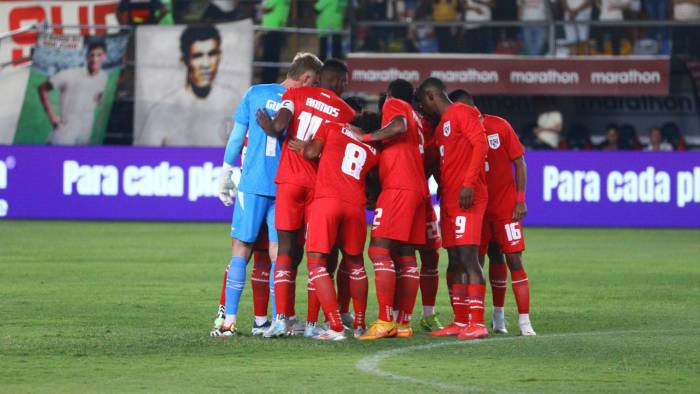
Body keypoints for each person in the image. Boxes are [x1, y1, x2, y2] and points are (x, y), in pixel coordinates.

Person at [209, 52, 323, 337]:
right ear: (306, 78)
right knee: (277, 254)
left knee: (240, 250)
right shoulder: (301, 103)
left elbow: (236, 137)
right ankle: (277, 321)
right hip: (284, 186)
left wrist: (225, 174)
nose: (315, 87)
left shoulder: (255, 93)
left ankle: (227, 323)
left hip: (251, 183)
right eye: (314, 82)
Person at [255, 59, 356, 337]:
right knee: (318, 256)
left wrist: (271, 129)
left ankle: (280, 320)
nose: (344, 87)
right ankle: (312, 325)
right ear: (332, 80)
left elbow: (280, 125)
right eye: (343, 82)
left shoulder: (295, 95)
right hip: (320, 189)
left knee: (286, 251)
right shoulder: (345, 112)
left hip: (289, 182)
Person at [449, 91, 536, 336]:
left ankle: (525, 322)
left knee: (513, 259)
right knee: (478, 260)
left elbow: (519, 162)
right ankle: (491, 318)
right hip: (477, 207)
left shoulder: (499, 125)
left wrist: (520, 200)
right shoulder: (457, 132)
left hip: (505, 206)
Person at [346, 79, 427, 340]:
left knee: (379, 249)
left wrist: (367, 136)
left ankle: (384, 321)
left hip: (399, 187)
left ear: (390, 94)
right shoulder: (418, 118)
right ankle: (403, 323)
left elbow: (398, 126)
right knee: (405, 255)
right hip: (417, 189)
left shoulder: (395, 104)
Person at [293, 113, 381, 340]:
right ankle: (360, 324)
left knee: (316, 264)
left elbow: (312, 152)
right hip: (355, 206)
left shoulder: (333, 126)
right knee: (355, 264)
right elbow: (373, 182)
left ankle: (336, 326)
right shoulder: (373, 151)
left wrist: (302, 149)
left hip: (327, 201)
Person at [417, 77, 489, 340]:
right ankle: (460, 321)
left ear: (430, 96)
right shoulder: (440, 129)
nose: (424, 110)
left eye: (423, 104)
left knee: (469, 258)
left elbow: (480, 145)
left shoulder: (463, 112)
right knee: (455, 259)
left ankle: (478, 323)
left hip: (468, 198)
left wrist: (468, 184)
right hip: (448, 201)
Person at [136, 25, 239, 146]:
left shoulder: (234, 101)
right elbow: (143, 158)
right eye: (197, 56)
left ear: (219, 57)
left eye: (212, 54)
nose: (206, 64)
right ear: (184, 61)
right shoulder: (162, 111)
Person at [38, 41, 108, 145]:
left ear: (104, 57)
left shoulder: (103, 77)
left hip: (85, 134)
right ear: (87, 57)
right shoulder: (69, 75)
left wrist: (98, 99)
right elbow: (42, 88)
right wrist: (52, 116)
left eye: (99, 55)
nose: (95, 59)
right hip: (64, 133)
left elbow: (98, 94)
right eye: (92, 55)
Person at [260, 0, 291, 83]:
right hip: (276, 28)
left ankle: (267, 80)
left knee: (269, 57)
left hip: (272, 29)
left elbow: (265, 7)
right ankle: (271, 80)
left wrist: (259, 6)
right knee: (274, 57)